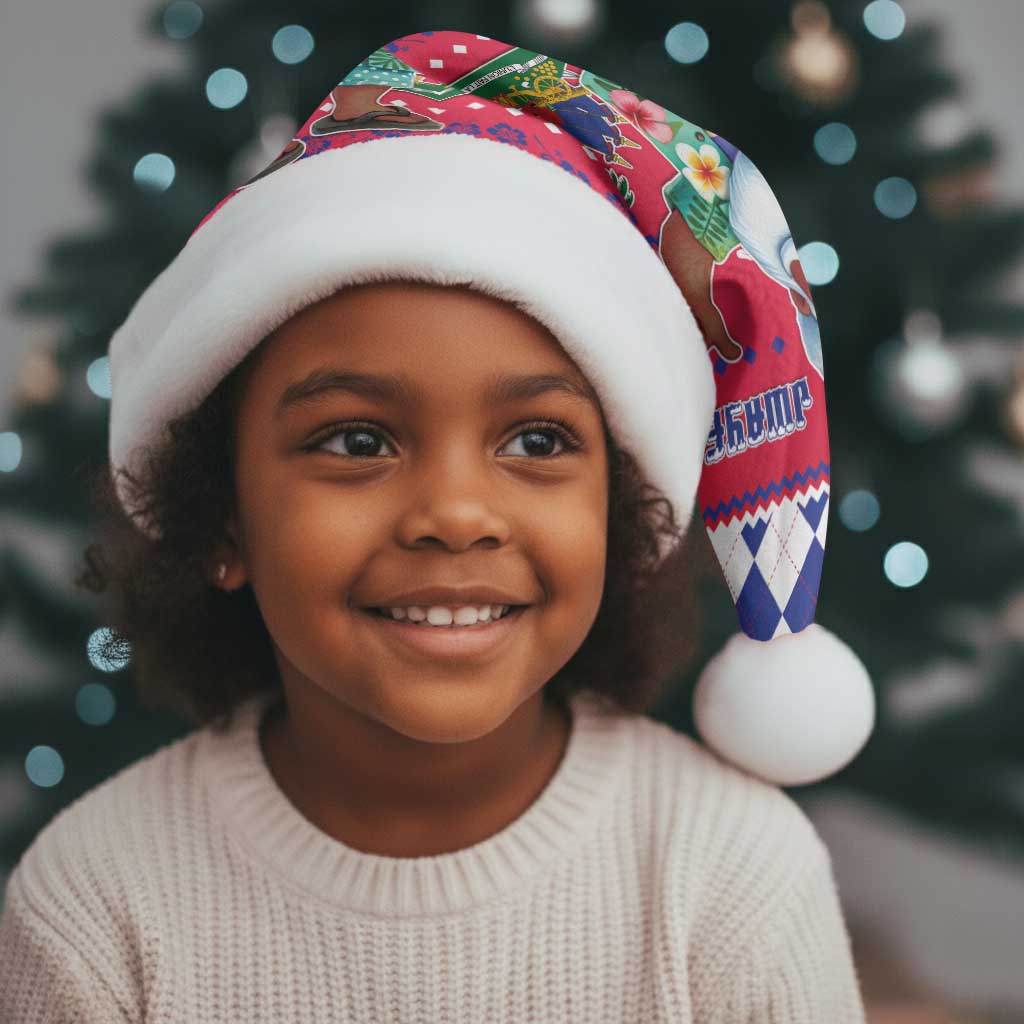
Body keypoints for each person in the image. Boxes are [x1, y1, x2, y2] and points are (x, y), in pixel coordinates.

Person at [0, 29, 874, 1022]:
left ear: (621, 511)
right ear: (220, 518)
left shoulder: (730, 873)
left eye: (538, 441)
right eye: (358, 440)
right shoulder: (96, 899)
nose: (455, 515)